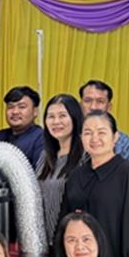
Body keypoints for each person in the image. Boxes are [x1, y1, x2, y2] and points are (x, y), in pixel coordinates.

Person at [62, 110, 129, 257]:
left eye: (101, 132)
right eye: (88, 133)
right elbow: (65, 219)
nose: (94, 139)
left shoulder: (128, 172)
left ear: (115, 137)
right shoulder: (76, 175)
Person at [37, 93, 84, 248]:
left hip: (71, 243)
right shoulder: (45, 156)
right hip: (45, 243)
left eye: (62, 116)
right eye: (51, 117)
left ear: (75, 118)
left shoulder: (85, 157)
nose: (56, 122)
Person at [79, 80, 129, 162]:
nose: (93, 107)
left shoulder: (124, 144)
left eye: (100, 101)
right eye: (88, 100)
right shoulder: (69, 136)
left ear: (109, 107)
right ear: (80, 105)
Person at [0, 86, 46, 168]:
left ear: (35, 112)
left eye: (22, 107)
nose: (15, 112)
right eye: (10, 107)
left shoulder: (42, 138)